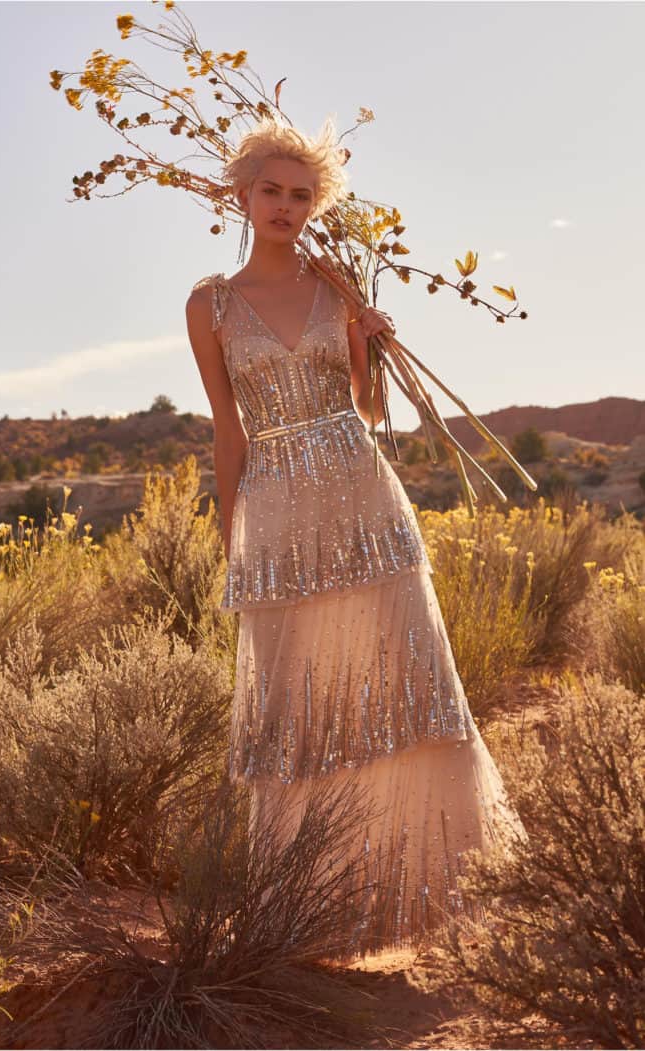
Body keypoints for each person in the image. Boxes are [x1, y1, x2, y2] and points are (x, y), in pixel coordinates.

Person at [185, 115, 527, 961]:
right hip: (276, 510)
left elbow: (368, 412)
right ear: (242, 191)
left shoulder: (336, 284)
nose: (286, 205)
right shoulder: (210, 304)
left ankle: (427, 900)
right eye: (272, 189)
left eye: (302, 194)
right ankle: (309, 914)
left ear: (316, 204)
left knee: (401, 689)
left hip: (362, 495)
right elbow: (228, 429)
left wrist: (372, 345)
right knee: (302, 707)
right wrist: (235, 531)